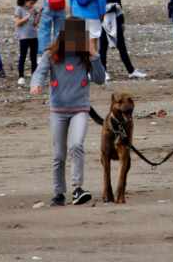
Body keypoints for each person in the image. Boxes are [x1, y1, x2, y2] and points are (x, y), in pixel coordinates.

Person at [37, 18, 106, 206]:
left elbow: (100, 79)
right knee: (59, 154)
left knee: (76, 145)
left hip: (80, 109)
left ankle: (77, 189)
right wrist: (36, 84)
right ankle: (59, 193)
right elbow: (40, 72)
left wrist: (94, 55)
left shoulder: (85, 56)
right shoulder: (51, 55)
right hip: (58, 111)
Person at [98, 0, 145, 79]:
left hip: (116, 20)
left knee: (122, 46)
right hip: (104, 21)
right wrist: (110, 8)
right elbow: (99, 7)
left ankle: (131, 71)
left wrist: (122, 22)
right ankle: (103, 72)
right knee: (103, 47)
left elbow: (120, 5)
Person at [14, 0, 41, 85]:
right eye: (31, 3)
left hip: (33, 36)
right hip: (24, 37)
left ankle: (34, 76)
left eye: (33, 4)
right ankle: (21, 76)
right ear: (26, 1)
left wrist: (38, 15)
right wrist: (27, 16)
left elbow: (35, 23)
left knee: (33, 57)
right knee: (23, 56)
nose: (32, 5)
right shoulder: (19, 9)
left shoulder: (33, 9)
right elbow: (17, 23)